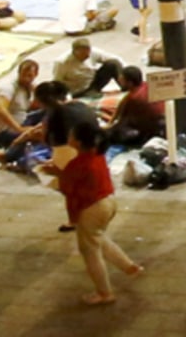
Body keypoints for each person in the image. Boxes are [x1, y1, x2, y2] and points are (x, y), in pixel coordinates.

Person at [51, 119, 142, 305]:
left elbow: (68, 189)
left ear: (78, 141)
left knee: (90, 250)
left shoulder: (77, 163)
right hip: (108, 202)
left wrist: (72, 216)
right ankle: (128, 266)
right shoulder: (98, 155)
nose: (69, 137)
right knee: (98, 238)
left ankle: (104, 292)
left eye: (71, 135)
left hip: (91, 207)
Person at [0, 60, 40, 163]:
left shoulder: (30, 87)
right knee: (35, 136)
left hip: (22, 119)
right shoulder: (8, 88)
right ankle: (5, 155)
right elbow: (0, 110)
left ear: (35, 75)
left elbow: (32, 107)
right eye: (23, 75)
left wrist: (38, 95)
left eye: (29, 76)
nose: (25, 79)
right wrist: (19, 129)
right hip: (3, 130)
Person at [101, 67, 165, 148]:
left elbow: (122, 122)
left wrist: (108, 126)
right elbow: (125, 100)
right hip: (161, 124)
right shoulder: (145, 85)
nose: (120, 83)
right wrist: (111, 120)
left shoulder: (135, 98)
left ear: (130, 83)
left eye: (122, 80)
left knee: (111, 135)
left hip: (150, 132)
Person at [53, 39, 123, 98]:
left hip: (93, 82)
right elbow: (57, 82)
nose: (87, 56)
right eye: (83, 55)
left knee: (113, 63)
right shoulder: (61, 62)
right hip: (78, 90)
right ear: (75, 52)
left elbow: (115, 59)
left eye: (88, 53)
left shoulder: (93, 52)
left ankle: (126, 88)